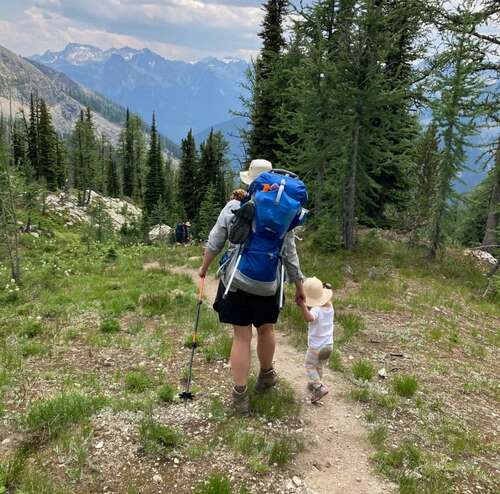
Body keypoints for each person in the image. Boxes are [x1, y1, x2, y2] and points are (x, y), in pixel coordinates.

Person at [198, 159, 306, 416]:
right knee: (266, 330)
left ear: (250, 181)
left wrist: (204, 269)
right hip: (269, 284)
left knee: (241, 336)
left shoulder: (235, 205)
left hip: (237, 280)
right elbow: (290, 254)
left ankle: (240, 397)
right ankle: (266, 376)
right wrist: (299, 285)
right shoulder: (283, 214)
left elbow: (215, 241)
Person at [298, 277, 334, 403]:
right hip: (329, 345)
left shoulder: (316, 310)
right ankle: (315, 383)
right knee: (319, 365)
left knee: (309, 365)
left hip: (316, 347)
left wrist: (303, 306)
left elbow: (309, 318)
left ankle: (319, 387)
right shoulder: (330, 306)